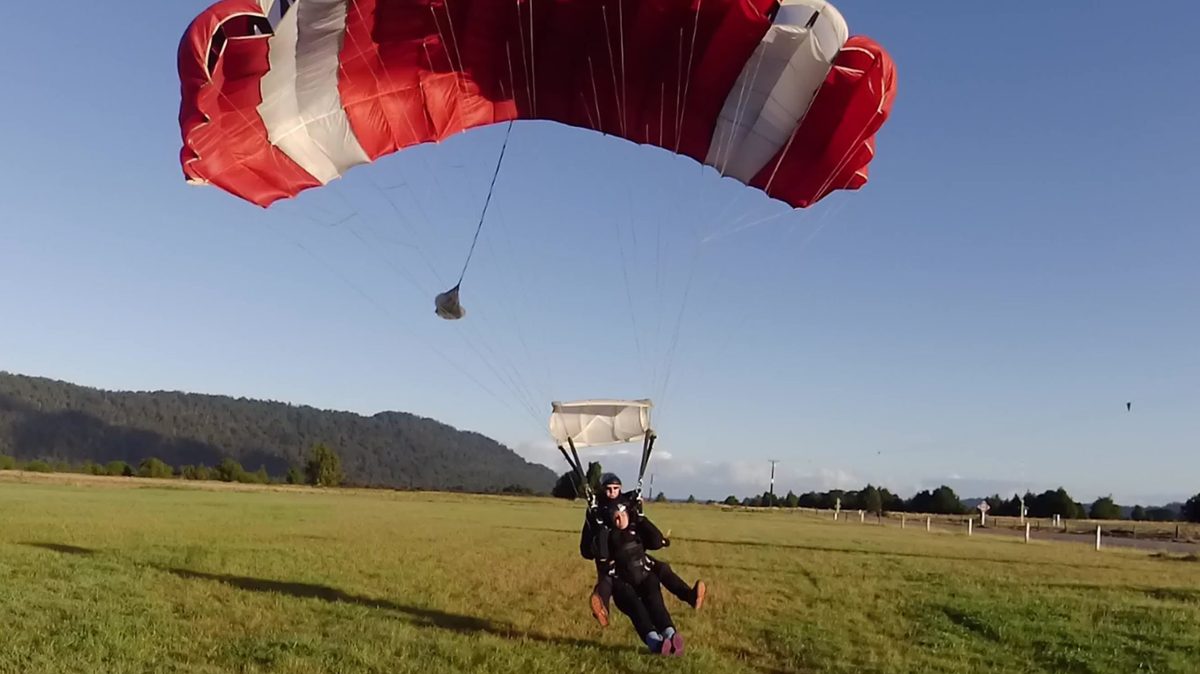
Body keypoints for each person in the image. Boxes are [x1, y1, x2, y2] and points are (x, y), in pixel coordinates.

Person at [579, 473, 706, 627]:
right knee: (607, 578)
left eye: (615, 488)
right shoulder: (596, 508)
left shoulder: (627, 502)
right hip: (610, 556)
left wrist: (638, 505)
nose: (612, 492)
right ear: (602, 489)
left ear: (620, 489)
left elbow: (643, 529)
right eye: (608, 489)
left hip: (633, 554)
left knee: (662, 568)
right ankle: (602, 608)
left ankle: (690, 596)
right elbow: (586, 548)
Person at [602, 500, 685, 654]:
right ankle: (656, 643)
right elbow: (597, 552)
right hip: (623, 583)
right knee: (638, 610)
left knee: (656, 605)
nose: (619, 519)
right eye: (615, 517)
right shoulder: (608, 535)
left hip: (645, 576)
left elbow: (656, 541)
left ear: (628, 514)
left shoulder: (637, 529)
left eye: (622, 515)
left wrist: (641, 517)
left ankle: (671, 636)